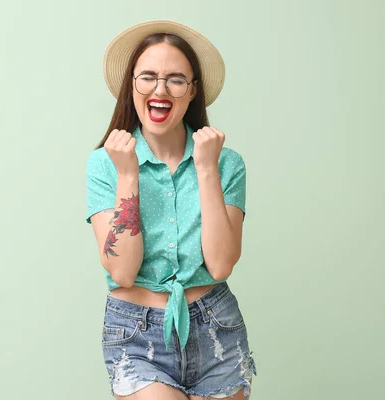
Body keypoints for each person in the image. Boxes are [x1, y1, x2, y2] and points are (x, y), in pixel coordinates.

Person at [85, 20, 256, 399]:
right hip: (136, 334)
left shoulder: (227, 163)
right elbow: (122, 270)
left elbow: (221, 264)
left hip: (216, 329)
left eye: (176, 79)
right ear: (132, 85)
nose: (160, 89)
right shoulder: (104, 165)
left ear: (192, 91)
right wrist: (128, 174)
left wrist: (207, 168)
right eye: (148, 77)